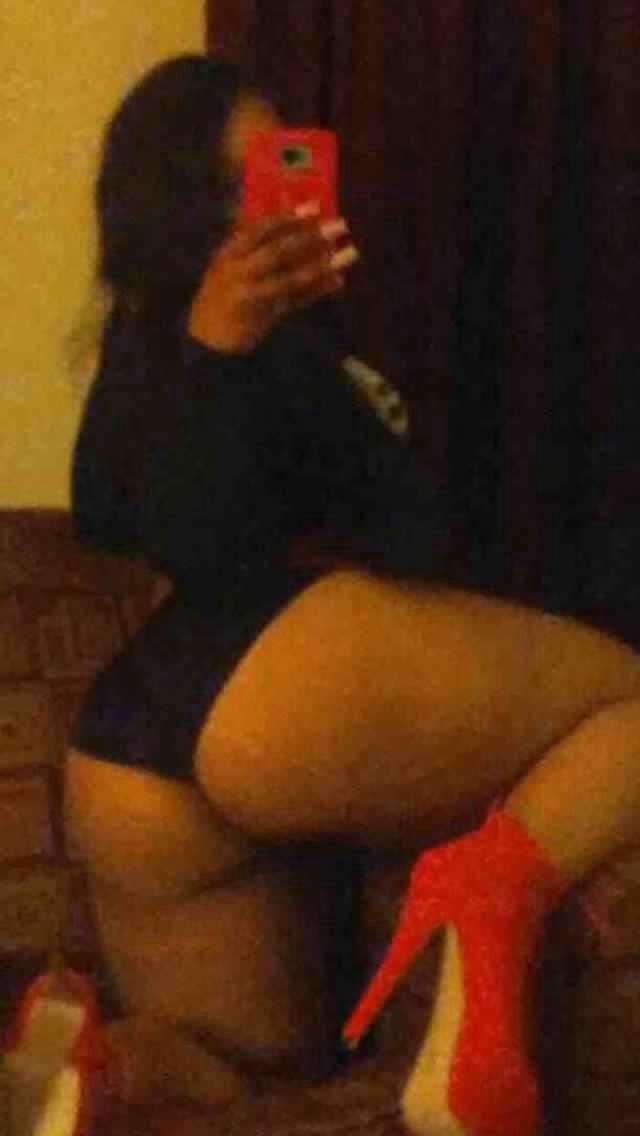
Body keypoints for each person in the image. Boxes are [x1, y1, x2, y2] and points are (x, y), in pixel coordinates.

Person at [62, 53, 640, 1136]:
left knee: (259, 1072)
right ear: (190, 209)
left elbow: (105, 512)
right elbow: (379, 538)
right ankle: (489, 900)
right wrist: (240, 357)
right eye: (252, 177)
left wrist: (274, 348)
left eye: (290, 164)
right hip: (273, 681)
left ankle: (104, 1068)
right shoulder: (223, 348)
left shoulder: (150, 346)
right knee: (635, 701)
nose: (282, 197)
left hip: (127, 756)